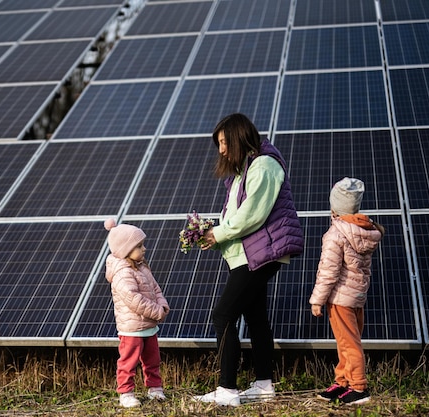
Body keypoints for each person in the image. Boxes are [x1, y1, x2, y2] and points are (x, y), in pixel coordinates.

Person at [194, 113, 304, 406]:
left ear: (238, 136)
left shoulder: (264, 165)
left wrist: (218, 234)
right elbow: (236, 218)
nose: (221, 150)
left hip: (260, 252)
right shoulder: (243, 172)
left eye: (223, 142)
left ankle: (227, 390)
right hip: (249, 253)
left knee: (223, 315)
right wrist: (213, 237)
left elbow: (252, 215)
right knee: (255, 318)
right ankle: (264, 386)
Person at [309, 177, 384, 405]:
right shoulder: (365, 231)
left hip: (340, 298)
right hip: (357, 297)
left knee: (349, 343)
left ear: (335, 207)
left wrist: (317, 300)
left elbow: (328, 272)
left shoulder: (335, 235)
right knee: (346, 341)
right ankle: (342, 381)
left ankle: (359, 387)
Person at [104, 218, 170, 408]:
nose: (144, 249)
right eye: (139, 246)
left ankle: (155, 388)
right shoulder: (123, 273)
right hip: (131, 327)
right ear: (126, 250)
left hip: (148, 325)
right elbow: (134, 300)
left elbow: (155, 288)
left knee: (152, 359)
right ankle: (126, 392)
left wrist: (162, 303)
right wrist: (157, 311)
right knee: (129, 362)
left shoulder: (141, 267)